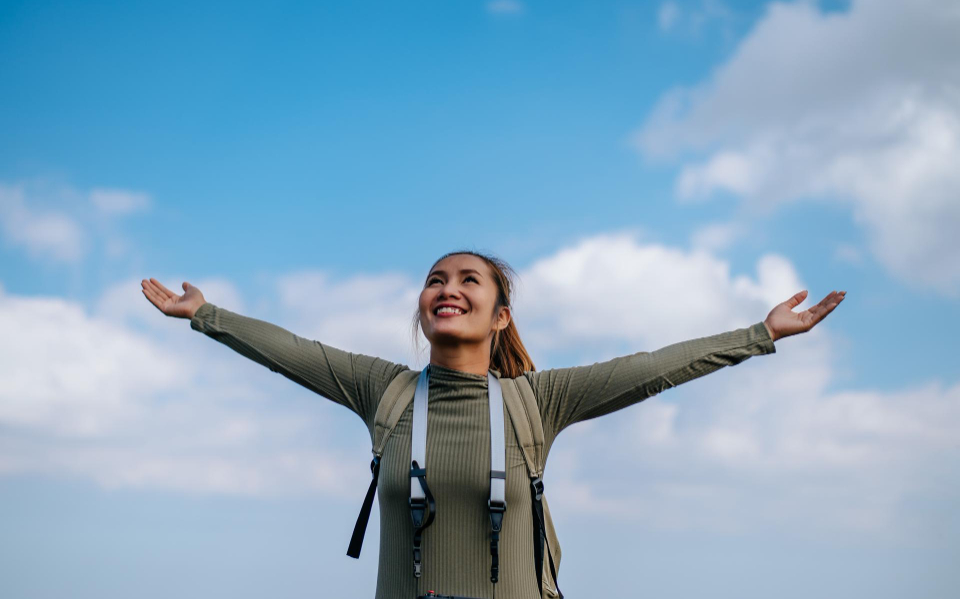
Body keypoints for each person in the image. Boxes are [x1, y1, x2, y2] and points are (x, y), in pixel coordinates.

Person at [141, 250, 845, 599]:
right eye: (436, 278)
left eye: (468, 280)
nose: (447, 288)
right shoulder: (383, 391)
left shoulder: (536, 402)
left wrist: (763, 332)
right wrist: (205, 314)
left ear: (500, 314)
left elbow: (654, 367)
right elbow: (291, 351)